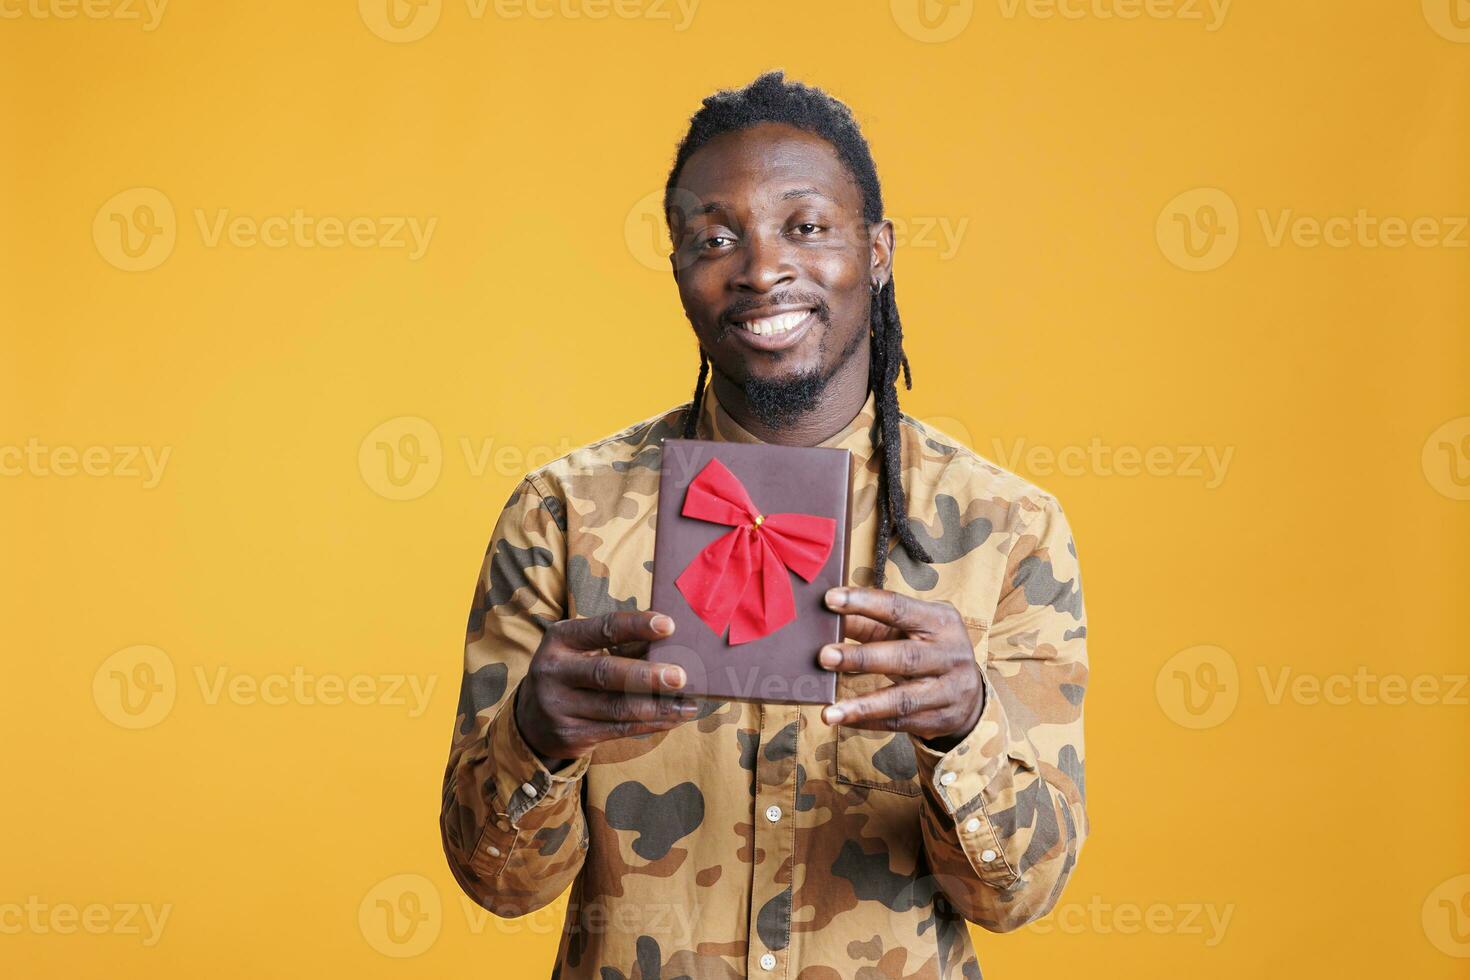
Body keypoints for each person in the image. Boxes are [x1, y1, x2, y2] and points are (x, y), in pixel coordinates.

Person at [440, 70, 1089, 979]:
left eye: (807, 227)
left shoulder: (1011, 530)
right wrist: (535, 738)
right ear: (677, 270)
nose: (761, 268)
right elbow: (499, 883)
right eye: (715, 237)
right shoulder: (561, 515)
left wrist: (967, 724)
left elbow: (1018, 896)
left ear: (880, 251)